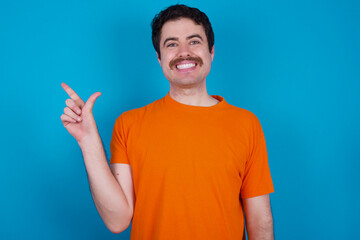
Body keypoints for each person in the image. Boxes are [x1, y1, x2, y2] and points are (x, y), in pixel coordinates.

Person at [61, 4, 274, 240]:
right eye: (171, 44)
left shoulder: (246, 124)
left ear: (211, 51)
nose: (184, 52)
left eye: (194, 41)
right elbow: (117, 220)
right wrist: (88, 141)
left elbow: (259, 221)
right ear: (159, 58)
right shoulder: (129, 124)